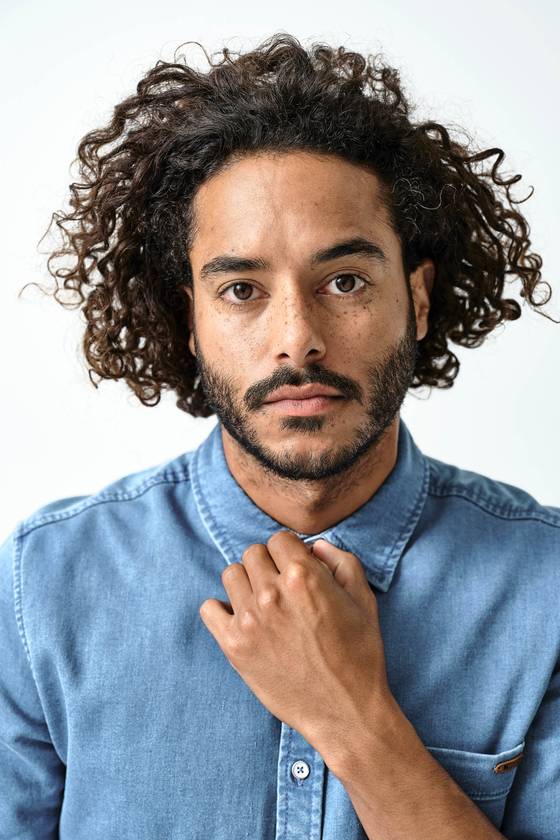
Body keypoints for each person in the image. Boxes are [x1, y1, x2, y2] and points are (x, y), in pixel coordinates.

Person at [1, 31, 558, 840]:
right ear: (189, 320)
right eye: (241, 290)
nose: (297, 339)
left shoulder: (545, 589)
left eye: (345, 281)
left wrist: (352, 719)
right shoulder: (44, 586)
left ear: (418, 299)